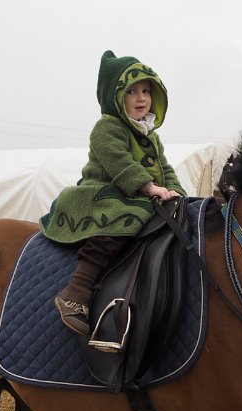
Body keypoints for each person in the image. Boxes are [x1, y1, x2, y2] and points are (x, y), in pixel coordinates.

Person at [41, 50, 185, 335]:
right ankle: (76, 291)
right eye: (132, 91)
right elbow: (120, 163)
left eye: (146, 90)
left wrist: (175, 191)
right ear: (115, 96)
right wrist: (149, 187)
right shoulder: (107, 128)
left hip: (139, 195)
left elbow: (164, 167)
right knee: (122, 220)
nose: (142, 98)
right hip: (103, 192)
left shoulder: (150, 135)